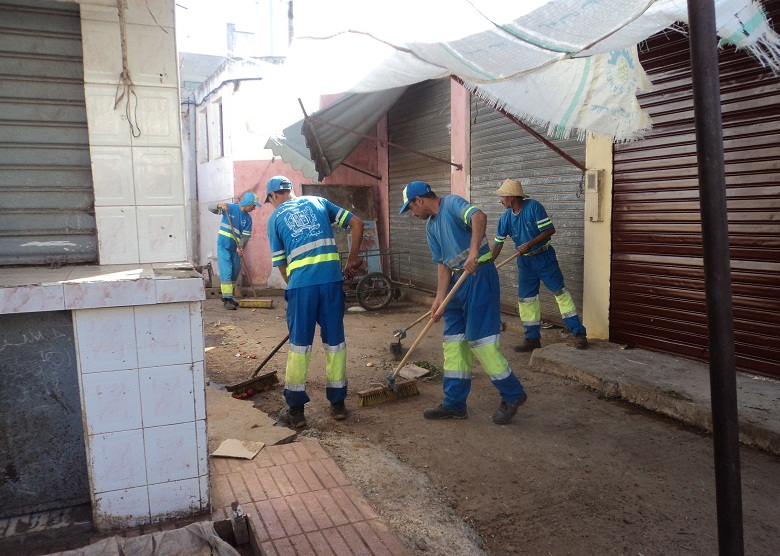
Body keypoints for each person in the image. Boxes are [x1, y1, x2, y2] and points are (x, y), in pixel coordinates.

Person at [399, 180, 527, 424]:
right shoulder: (430, 228)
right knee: (454, 343)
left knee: (480, 341)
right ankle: (454, 403)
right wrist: (439, 299)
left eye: (411, 208)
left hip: (479, 276)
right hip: (457, 282)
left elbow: (479, 216)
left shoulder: (451, 203)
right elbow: (442, 264)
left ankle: (513, 393)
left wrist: (473, 252)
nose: (412, 214)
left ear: (419, 200)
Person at [265, 176, 364, 428]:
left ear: (273, 196)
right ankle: (338, 404)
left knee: (299, 346)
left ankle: (296, 411)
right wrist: (351, 260)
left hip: (302, 288)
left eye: (270, 200)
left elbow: (281, 264)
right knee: (335, 343)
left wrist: (293, 286)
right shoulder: (319, 201)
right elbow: (357, 223)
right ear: (290, 191)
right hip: (331, 283)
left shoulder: (275, 219)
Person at [490, 178, 588, 352]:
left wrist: (529, 244)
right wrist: (488, 263)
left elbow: (550, 231)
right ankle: (532, 339)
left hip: (544, 257)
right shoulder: (505, 217)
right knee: (527, 300)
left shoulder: (534, 207)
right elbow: (498, 244)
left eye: (503, 197)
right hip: (525, 262)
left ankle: (579, 334)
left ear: (512, 197)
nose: (501, 201)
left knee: (560, 294)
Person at [208, 192, 261, 311]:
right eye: (254, 205)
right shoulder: (229, 208)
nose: (254, 207)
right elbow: (210, 208)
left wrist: (241, 247)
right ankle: (227, 299)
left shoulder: (247, 219)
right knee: (226, 270)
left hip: (235, 248)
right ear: (248, 203)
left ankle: (229, 297)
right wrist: (219, 205)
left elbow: (245, 236)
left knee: (234, 272)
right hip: (224, 246)